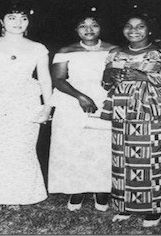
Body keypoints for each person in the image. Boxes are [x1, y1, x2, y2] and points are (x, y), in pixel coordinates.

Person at [100, 12, 161, 227]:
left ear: (149, 30)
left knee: (154, 160)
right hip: (122, 112)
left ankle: (155, 208)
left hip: (155, 113)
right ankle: (126, 205)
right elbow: (106, 83)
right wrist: (109, 78)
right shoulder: (114, 53)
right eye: (128, 26)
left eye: (140, 26)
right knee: (123, 160)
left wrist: (145, 77)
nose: (133, 30)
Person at [0, 3, 52, 209]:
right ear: (1, 22)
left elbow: (45, 80)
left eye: (23, 18)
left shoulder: (38, 48)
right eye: (12, 17)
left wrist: (47, 107)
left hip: (25, 101)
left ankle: (17, 196)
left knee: (20, 148)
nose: (18, 22)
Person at [47, 13, 116, 212]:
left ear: (101, 27)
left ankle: (101, 189)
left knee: (101, 146)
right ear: (76, 29)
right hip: (72, 98)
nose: (88, 29)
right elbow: (58, 79)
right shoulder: (65, 51)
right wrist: (81, 97)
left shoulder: (114, 49)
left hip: (105, 98)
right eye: (82, 26)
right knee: (74, 145)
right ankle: (76, 189)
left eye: (94, 25)